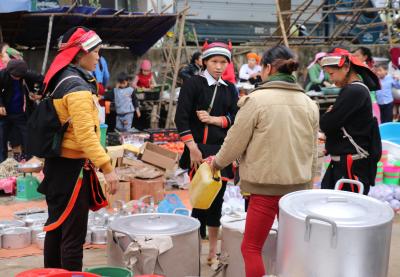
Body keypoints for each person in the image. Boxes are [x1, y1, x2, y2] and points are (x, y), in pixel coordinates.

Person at [208, 45, 319, 277]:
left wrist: (217, 163)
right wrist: (308, 186)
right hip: (297, 192)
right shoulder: (309, 103)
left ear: (267, 68)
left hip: (265, 190)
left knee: (251, 248)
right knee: (295, 250)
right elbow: (312, 151)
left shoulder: (256, 100)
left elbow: (234, 143)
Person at [37, 26, 118, 271]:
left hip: (58, 165)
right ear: (81, 53)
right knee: (72, 236)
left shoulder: (61, 78)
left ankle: (52, 274)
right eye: (96, 52)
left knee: (56, 227)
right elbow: (85, 136)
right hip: (72, 171)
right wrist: (107, 167)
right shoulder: (78, 88)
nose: (98, 57)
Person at [175, 42, 238, 265]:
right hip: (198, 152)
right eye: (214, 62)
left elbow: (234, 118)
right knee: (200, 200)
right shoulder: (193, 84)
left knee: (217, 201)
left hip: (221, 153)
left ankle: (212, 252)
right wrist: (192, 148)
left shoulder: (230, 88)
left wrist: (214, 120)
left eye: (223, 62)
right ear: (205, 62)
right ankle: (193, 252)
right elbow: (181, 118)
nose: (219, 67)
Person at [320, 48, 381, 195]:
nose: (331, 80)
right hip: (345, 163)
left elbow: (327, 124)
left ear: (346, 67)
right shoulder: (355, 90)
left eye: (332, 74)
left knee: (344, 210)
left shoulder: (354, 91)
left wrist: (329, 115)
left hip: (350, 166)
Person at [0, 59, 43, 162]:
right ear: (9, 71)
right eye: (15, 76)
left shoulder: (27, 74)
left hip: (21, 113)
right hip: (5, 113)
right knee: (2, 138)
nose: (17, 78)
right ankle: (2, 162)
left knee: (27, 138)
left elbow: (44, 80)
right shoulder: (2, 75)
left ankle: (29, 160)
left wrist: (39, 93)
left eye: (19, 76)